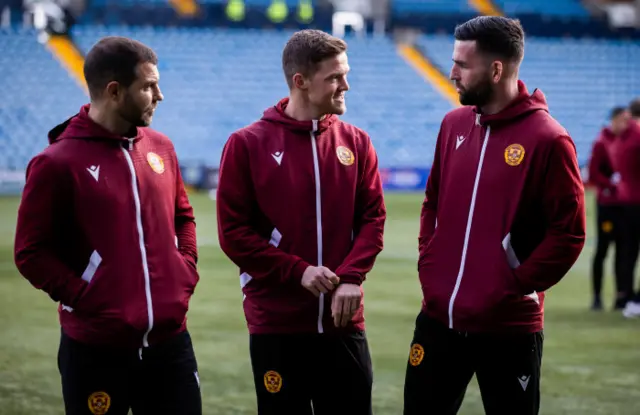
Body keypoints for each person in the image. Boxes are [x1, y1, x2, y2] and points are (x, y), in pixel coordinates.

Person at [403, 16, 586, 415]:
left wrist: (515, 284)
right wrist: (429, 264)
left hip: (509, 328)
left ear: (496, 69)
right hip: (438, 317)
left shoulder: (549, 139)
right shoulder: (452, 124)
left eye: (462, 64)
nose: (451, 72)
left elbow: (568, 233)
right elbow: (432, 201)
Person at [14, 36, 202, 415]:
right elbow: (30, 252)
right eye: (148, 86)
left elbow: (183, 215)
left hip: (170, 344)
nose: (160, 95)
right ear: (114, 91)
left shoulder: (161, 147)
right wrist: (86, 298)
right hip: (95, 350)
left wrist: (185, 269)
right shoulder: (57, 163)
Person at [216, 29, 386, 415]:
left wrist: (352, 278)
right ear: (301, 82)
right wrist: (298, 272)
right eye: (335, 77)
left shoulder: (356, 142)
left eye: (345, 74)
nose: (346, 85)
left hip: (344, 324)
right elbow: (233, 234)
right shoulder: (246, 144)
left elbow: (373, 218)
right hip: (277, 326)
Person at [588, 106, 629, 310]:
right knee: (603, 250)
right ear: (613, 120)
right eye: (623, 120)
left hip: (624, 205)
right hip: (606, 206)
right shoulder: (601, 143)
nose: (626, 124)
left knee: (623, 251)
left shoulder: (626, 142)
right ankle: (596, 297)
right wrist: (612, 184)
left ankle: (621, 297)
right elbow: (593, 174)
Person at [619, 98, 640, 318]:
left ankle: (626, 297)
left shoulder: (625, 135)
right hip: (637, 199)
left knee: (628, 252)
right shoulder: (637, 135)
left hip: (625, 200)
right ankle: (635, 300)